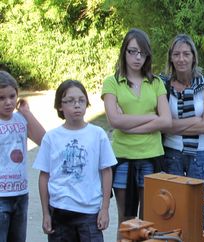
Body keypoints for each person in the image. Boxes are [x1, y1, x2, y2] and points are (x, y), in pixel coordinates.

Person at [101, 28, 172, 240]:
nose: (137, 57)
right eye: (132, 51)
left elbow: (166, 121)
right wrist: (152, 118)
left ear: (147, 55)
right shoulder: (112, 82)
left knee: (148, 219)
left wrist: (127, 125)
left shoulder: (157, 83)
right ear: (124, 52)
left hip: (152, 158)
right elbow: (114, 120)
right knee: (126, 219)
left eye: (142, 53)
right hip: (123, 159)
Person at [33, 80, 117, 242]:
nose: (76, 105)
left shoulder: (97, 134)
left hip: (89, 212)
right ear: (60, 106)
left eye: (81, 100)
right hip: (59, 211)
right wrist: (45, 213)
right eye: (70, 101)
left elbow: (106, 171)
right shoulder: (51, 137)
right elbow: (44, 176)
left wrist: (104, 209)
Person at [162, 34, 204, 186]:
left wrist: (172, 125)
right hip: (171, 154)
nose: (181, 59)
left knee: (199, 206)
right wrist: (194, 121)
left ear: (194, 57)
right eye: (176, 54)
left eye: (186, 54)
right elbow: (162, 126)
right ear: (171, 58)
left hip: (200, 155)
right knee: (172, 206)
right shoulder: (163, 85)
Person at [0, 71, 45, 242]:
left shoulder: (21, 119)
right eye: (1, 98)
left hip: (20, 193)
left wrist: (27, 113)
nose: (8, 102)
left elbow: (43, 139)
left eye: (12, 96)